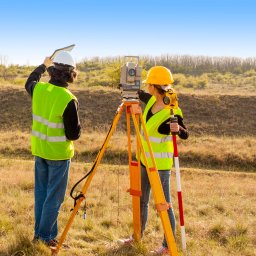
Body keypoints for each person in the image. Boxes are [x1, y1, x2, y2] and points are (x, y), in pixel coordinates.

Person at [119, 66, 189, 255]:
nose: (146, 87)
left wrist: (178, 130)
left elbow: (185, 134)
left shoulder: (172, 110)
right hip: (144, 161)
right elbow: (139, 94)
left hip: (160, 167)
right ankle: (137, 236)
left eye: (148, 84)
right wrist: (126, 86)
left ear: (154, 86)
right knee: (141, 200)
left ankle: (167, 246)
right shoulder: (151, 101)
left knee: (164, 206)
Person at [25, 51, 81, 247]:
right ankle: (45, 237)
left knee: (42, 194)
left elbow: (29, 81)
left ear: (52, 70)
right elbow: (74, 135)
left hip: (40, 151)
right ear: (71, 74)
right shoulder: (68, 98)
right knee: (54, 198)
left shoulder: (39, 89)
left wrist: (42, 65)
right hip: (58, 155)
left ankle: (39, 234)